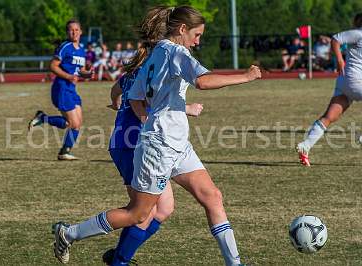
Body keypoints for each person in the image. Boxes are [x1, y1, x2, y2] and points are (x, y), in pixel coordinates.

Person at [51, 6, 261, 265]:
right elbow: (203, 82)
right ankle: (69, 233)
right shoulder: (176, 52)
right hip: (160, 146)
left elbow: (135, 97)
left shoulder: (156, 52)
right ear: (181, 30)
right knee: (138, 214)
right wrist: (247, 76)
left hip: (176, 143)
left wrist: (155, 119)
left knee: (212, 197)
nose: (198, 40)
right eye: (196, 34)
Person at [103, 60, 204, 265]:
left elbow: (115, 90)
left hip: (135, 144)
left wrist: (116, 103)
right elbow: (155, 105)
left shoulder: (134, 74)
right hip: (132, 144)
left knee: (164, 208)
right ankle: (77, 236)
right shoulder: (151, 73)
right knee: (141, 212)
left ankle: (120, 255)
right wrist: (187, 108)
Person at [297, 13, 362, 166]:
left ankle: (305, 145)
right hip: (354, 79)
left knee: (329, 116)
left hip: (345, 81)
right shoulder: (358, 33)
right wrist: (339, 60)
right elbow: (335, 39)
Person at [28, 19, 89, 160]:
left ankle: (64, 151)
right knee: (73, 124)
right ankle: (43, 120)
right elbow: (53, 66)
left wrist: (88, 73)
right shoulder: (65, 47)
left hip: (72, 90)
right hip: (61, 88)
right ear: (67, 32)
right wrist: (68, 76)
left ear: (81, 32)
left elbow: (81, 70)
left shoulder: (81, 50)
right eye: (70, 30)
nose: (73, 32)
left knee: (76, 123)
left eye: (76, 29)